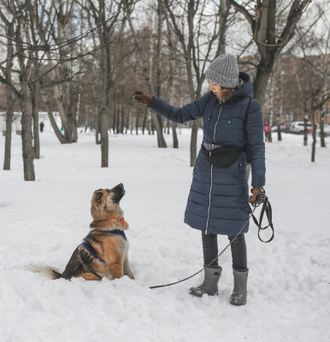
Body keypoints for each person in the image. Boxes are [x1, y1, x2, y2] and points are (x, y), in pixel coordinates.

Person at [132, 54, 265, 306]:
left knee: (235, 231)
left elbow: (257, 148)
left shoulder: (250, 106)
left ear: (226, 82)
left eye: (213, 82)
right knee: (207, 226)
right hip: (206, 170)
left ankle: (240, 287)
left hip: (233, 173)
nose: (210, 86)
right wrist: (152, 102)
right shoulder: (209, 100)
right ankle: (210, 282)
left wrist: (258, 183)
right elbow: (181, 115)